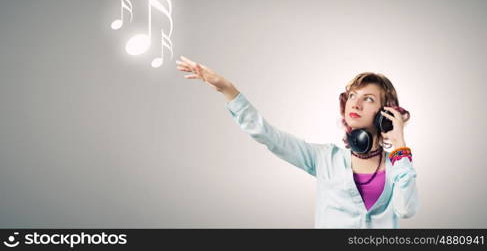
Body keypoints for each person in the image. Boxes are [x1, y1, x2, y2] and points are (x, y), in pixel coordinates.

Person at [176, 55, 419, 228]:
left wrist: (400, 146)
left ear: (385, 112)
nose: (355, 103)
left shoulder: (397, 166)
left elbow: (405, 210)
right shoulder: (325, 158)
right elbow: (268, 135)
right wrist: (228, 90)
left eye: (368, 99)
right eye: (352, 96)